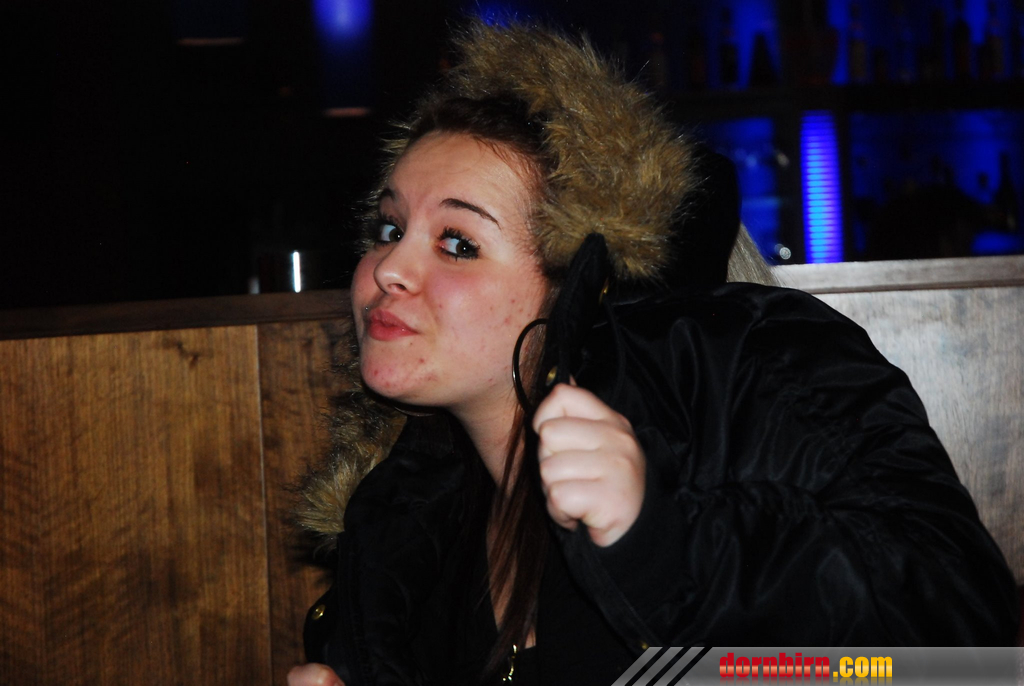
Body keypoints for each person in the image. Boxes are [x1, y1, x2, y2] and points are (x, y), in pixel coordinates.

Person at [288, 20, 1019, 686]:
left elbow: (959, 650)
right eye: (389, 230)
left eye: (458, 242)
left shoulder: (747, 375)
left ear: (580, 281)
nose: (389, 268)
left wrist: (666, 546)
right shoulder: (402, 530)